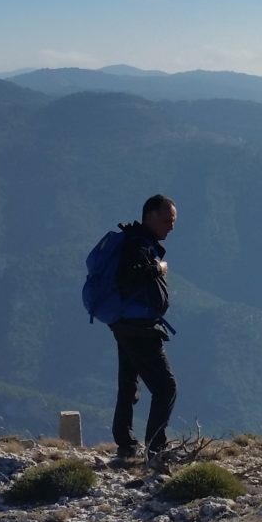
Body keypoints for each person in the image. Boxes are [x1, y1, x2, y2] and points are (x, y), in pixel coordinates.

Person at [106, 194, 178, 466]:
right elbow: (130, 275)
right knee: (166, 386)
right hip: (138, 328)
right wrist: (158, 268)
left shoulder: (136, 240)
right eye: (167, 220)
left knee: (129, 383)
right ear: (150, 216)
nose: (170, 227)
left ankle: (125, 445)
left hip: (125, 323)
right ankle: (156, 450)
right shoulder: (137, 245)